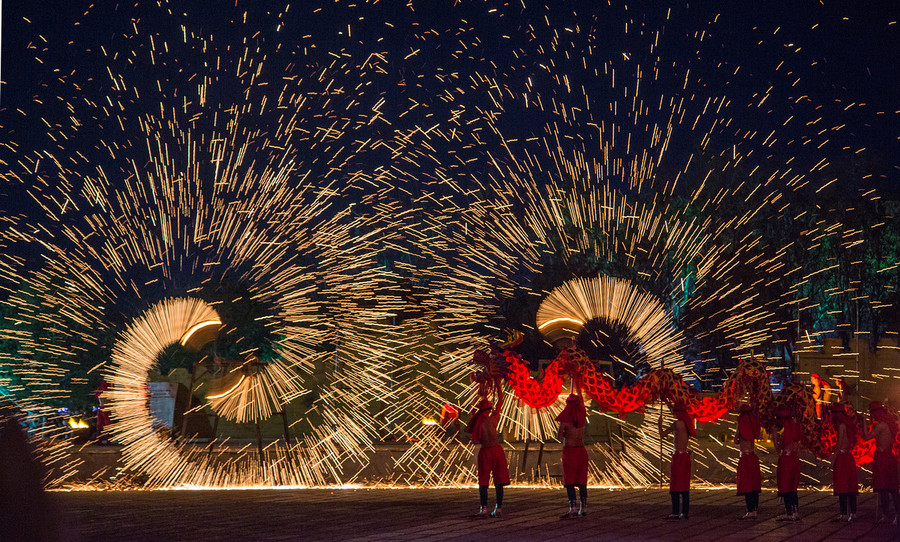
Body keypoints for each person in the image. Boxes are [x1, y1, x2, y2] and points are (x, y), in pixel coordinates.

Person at [466, 380, 509, 519]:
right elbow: (501, 400)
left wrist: (473, 386)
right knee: (499, 480)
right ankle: (499, 508)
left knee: (483, 481)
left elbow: (471, 405)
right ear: (489, 409)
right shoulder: (494, 419)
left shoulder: (477, 419)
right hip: (497, 450)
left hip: (485, 451)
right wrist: (498, 385)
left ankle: (483, 509)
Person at [860, 402, 899, 524]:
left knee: (884, 488)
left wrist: (863, 423)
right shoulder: (889, 424)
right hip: (889, 457)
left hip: (882, 459)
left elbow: (867, 437)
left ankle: (887, 515)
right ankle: (894, 515)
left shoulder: (881, 425)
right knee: (892, 488)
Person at [660, 401, 694, 520]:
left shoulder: (677, 424)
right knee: (684, 485)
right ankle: (685, 512)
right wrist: (668, 404)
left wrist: (660, 423)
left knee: (675, 485)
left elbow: (662, 434)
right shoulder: (688, 423)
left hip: (678, 457)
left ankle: (675, 512)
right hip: (685, 456)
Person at [557, 393, 588, 518]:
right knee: (582, 481)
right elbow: (582, 403)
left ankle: (573, 508)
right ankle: (584, 508)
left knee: (569, 481)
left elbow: (559, 436)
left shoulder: (565, 419)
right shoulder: (582, 416)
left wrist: (565, 434)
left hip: (570, 451)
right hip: (581, 451)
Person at [830, 402, 859, 521]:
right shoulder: (848, 424)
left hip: (842, 458)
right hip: (849, 457)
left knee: (842, 486)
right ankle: (853, 513)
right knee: (850, 486)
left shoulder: (841, 425)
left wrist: (833, 459)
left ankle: (843, 514)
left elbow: (839, 443)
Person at [773, 406, 803, 521]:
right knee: (793, 487)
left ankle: (789, 513)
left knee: (785, 487)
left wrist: (775, 435)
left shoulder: (785, 431)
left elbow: (778, 448)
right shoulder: (795, 427)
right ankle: (796, 511)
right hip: (795, 459)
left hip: (785, 460)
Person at [734, 403, 761, 519]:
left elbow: (736, 440)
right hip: (753, 457)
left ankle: (749, 511)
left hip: (744, 458)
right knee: (754, 484)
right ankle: (754, 509)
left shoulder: (740, 423)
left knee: (747, 484)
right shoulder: (752, 422)